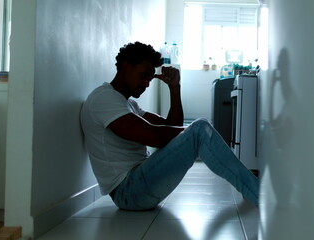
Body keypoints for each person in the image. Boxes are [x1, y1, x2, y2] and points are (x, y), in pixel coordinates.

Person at [80, 41, 259, 210]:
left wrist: (175, 88)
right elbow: (156, 137)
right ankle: (259, 194)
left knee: (199, 128)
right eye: (143, 75)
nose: (146, 84)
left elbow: (171, 127)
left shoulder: (129, 104)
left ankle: (255, 190)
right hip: (129, 191)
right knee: (200, 127)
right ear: (126, 66)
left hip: (139, 183)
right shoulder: (104, 99)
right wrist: (194, 132)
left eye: (150, 78)